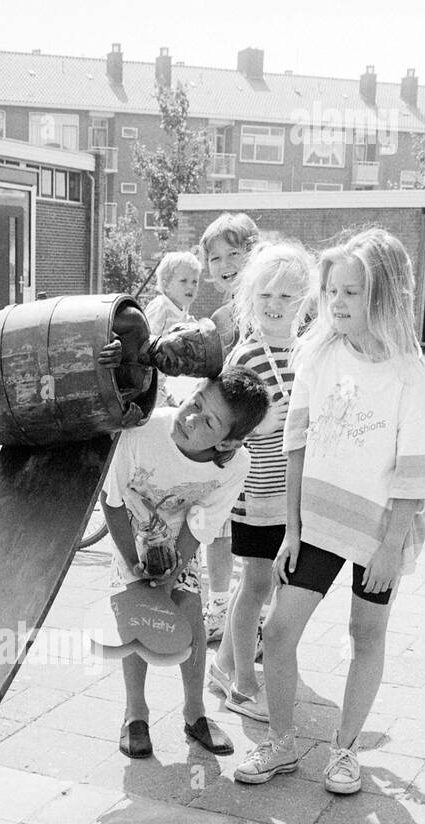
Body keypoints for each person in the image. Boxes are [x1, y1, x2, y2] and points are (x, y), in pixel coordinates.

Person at [235, 228, 425, 795]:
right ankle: (281, 744)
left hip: (381, 530)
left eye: (352, 291)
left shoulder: (407, 373)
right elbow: (295, 442)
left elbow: (413, 469)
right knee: (277, 631)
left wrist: (393, 546)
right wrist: (292, 528)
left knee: (365, 632)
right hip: (318, 522)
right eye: (332, 291)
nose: (338, 303)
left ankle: (345, 750)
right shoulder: (317, 354)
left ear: (384, 294)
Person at [100, 367, 270, 760]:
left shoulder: (234, 465)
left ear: (228, 440)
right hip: (130, 530)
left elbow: (203, 522)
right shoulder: (140, 433)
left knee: (190, 614)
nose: (191, 417)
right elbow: (111, 504)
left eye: (208, 420)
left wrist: (172, 574)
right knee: (134, 617)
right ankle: (135, 714)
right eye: (196, 402)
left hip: (180, 540)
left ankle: (195, 713)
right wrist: (135, 567)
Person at [210, 240, 316, 722]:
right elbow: (223, 425)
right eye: (266, 296)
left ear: (305, 300)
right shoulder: (247, 356)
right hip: (256, 492)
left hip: (292, 495)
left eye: (287, 297)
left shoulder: (306, 352)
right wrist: (259, 426)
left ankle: (224, 665)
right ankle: (243, 685)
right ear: (251, 298)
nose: (275, 306)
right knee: (255, 583)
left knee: (263, 584)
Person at [198, 212, 261, 644]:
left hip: (267, 444)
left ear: (255, 254)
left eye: (234, 253)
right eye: (215, 257)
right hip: (227, 443)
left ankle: (257, 619)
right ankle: (218, 606)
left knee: (259, 537)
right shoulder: (219, 320)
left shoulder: (275, 307)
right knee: (218, 528)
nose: (225, 264)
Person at [144, 251, 202, 408]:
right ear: (166, 284)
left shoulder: (182, 310)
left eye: (195, 282)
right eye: (183, 281)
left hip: (160, 380)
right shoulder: (161, 306)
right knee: (162, 421)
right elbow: (144, 340)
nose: (190, 286)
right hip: (146, 379)